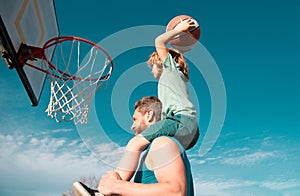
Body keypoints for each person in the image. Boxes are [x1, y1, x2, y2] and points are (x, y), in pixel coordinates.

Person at [115, 17, 200, 182]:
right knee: (153, 151)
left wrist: (180, 29)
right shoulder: (174, 79)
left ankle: (108, 191)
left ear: (160, 62)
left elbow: (159, 41)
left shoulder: (170, 69)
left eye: (152, 65)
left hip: (182, 121)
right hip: (188, 129)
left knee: (135, 144)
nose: (151, 69)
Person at [73, 96, 194, 196]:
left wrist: (117, 186)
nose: (132, 126)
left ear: (149, 115)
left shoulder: (161, 143)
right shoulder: (150, 152)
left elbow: (176, 192)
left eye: (135, 119)